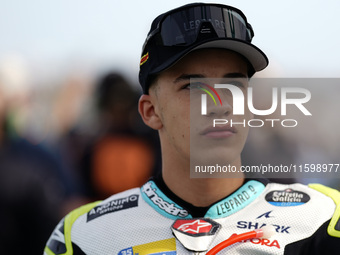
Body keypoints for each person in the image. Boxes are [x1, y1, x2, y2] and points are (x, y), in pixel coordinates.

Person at [43, 3, 340, 254]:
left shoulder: (323, 220)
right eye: (192, 86)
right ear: (150, 112)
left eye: (234, 84)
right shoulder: (81, 238)